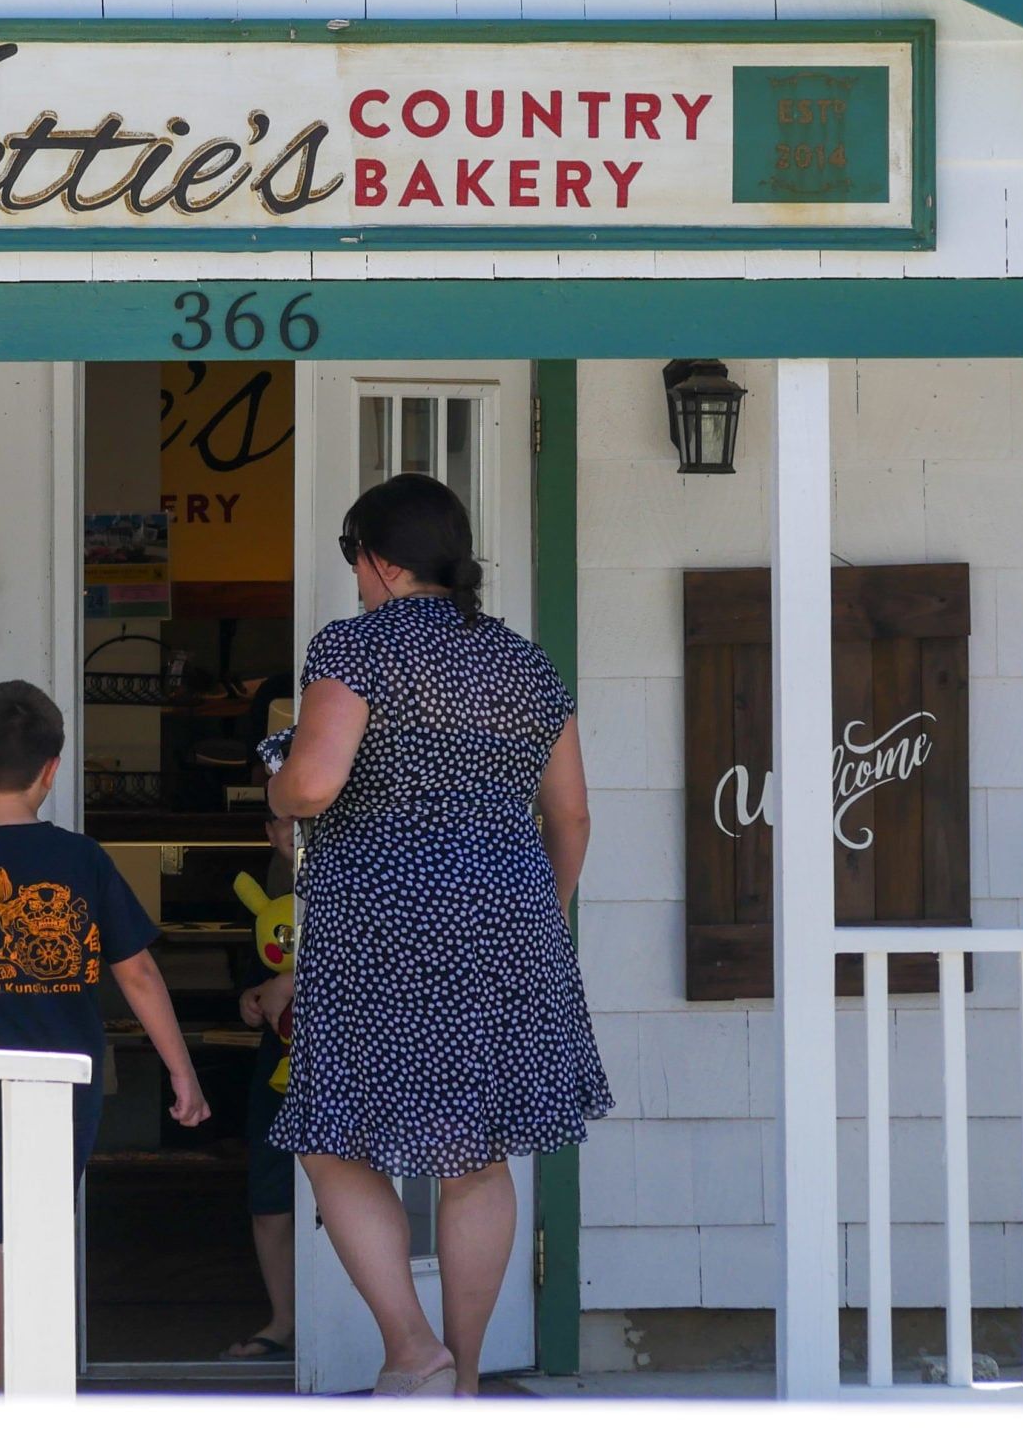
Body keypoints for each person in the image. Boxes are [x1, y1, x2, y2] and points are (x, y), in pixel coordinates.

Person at [260, 473, 610, 1398]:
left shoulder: (358, 647)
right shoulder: (527, 664)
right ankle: (462, 1383)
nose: (355, 579)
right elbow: (570, 815)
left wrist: (276, 786)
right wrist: (546, 916)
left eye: (353, 560)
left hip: (381, 924)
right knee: (476, 1151)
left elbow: (313, 785)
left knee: (333, 1134)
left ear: (380, 559)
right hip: (508, 921)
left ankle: (412, 1347)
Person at [0, 678, 211, 1389]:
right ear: (52, 768)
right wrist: (182, 1071)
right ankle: (48, 1386)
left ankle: (13, 1403)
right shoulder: (84, 861)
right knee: (44, 1228)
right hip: (68, 1079)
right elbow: (141, 976)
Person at [220, 812, 298, 1364]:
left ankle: (362, 1320)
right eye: (280, 822)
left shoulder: (365, 875)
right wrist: (252, 998)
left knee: (351, 1195)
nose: (291, 831)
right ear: (269, 833)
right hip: (277, 1070)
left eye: (302, 820)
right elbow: (256, 978)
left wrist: (294, 981)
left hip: (350, 1066)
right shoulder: (269, 895)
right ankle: (285, 1319)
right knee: (271, 1201)